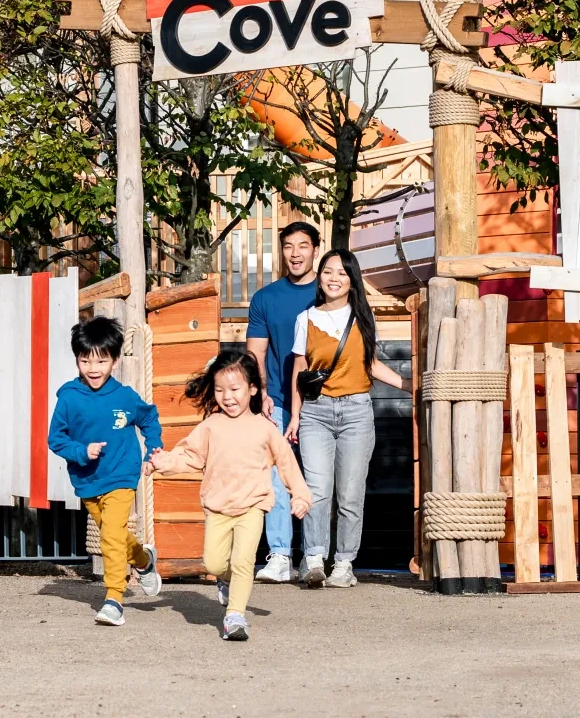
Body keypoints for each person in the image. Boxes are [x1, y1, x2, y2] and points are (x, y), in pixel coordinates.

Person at [149, 351, 311, 641]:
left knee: (243, 561)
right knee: (213, 563)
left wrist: (300, 495)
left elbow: (286, 462)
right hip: (218, 508)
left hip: (253, 506)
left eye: (235, 389)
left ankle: (235, 616)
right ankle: (224, 580)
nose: (228, 397)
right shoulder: (211, 426)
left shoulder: (265, 428)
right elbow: (190, 456)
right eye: (220, 390)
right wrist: (164, 462)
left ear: (252, 389)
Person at [287, 249, 412, 588]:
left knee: (351, 493)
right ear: (320, 276)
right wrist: (295, 416)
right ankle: (313, 559)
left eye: (341, 273)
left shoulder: (363, 318)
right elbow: (300, 370)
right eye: (328, 271)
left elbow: (370, 364)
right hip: (316, 412)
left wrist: (408, 385)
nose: (333, 278)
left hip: (357, 411)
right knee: (317, 489)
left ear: (352, 280)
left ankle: (344, 563)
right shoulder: (306, 319)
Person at [47, 316, 163, 627]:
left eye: (101, 360)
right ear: (77, 360)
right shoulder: (69, 397)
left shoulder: (124, 397)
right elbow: (56, 439)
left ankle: (114, 598)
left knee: (111, 535)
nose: (93, 368)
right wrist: (81, 452)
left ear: (114, 359)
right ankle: (143, 560)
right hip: (87, 479)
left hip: (122, 475)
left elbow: (149, 418)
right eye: (86, 360)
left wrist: (153, 449)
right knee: (116, 536)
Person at [245, 221, 320, 583]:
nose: (295, 254)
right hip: (275, 400)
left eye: (302, 246)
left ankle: (315, 556)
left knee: (316, 478)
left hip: (321, 403)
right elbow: (255, 351)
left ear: (315, 251)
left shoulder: (331, 291)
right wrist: (260, 395)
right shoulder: (265, 298)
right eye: (289, 246)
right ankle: (279, 555)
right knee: (275, 479)